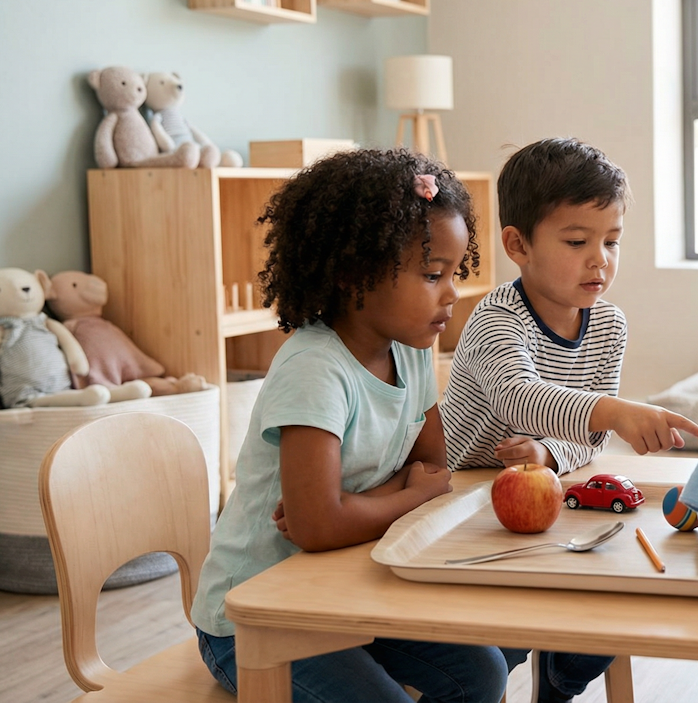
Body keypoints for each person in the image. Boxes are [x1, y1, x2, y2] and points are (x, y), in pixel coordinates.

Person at [191, 148, 509, 703]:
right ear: (353, 275)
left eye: (454, 273)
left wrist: (366, 503)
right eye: (433, 274)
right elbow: (318, 527)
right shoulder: (315, 368)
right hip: (254, 618)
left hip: (341, 590)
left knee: (483, 673)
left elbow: (430, 474)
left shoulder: (411, 351)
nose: (452, 293)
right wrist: (396, 497)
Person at [439, 137, 698, 701]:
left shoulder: (608, 324)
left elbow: (590, 438)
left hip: (538, 497)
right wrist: (610, 411)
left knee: (614, 596)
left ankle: (557, 685)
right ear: (518, 245)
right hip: (458, 501)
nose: (600, 259)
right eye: (578, 241)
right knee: (499, 644)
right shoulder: (495, 319)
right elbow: (518, 397)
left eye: (612, 241)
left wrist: (550, 453)